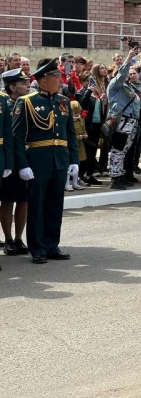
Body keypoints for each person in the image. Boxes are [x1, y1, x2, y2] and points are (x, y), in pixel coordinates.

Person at [12, 58, 79, 263]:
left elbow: (70, 134)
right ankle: (37, 247)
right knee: (37, 205)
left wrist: (74, 159)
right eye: (56, 77)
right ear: (43, 81)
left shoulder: (63, 101)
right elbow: (16, 136)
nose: (60, 80)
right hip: (37, 162)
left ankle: (52, 244)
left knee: (54, 204)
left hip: (59, 160)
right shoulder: (27, 102)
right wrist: (22, 164)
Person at [1, 69, 30, 258]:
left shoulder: (29, 103)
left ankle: (19, 238)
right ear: (12, 87)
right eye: (23, 83)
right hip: (8, 157)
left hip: (25, 157)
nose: (28, 86)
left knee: (23, 199)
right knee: (8, 199)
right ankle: (8, 238)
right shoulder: (5, 103)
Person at [106, 49, 141, 190]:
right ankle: (115, 178)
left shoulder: (128, 87)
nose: (128, 75)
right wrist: (129, 57)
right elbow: (122, 73)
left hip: (131, 121)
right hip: (122, 121)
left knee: (124, 149)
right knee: (118, 149)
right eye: (126, 73)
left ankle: (120, 175)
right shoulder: (115, 85)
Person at [65, 101, 88, 191]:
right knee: (68, 165)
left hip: (79, 145)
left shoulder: (81, 119)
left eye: (78, 112)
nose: (77, 114)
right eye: (75, 112)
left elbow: (84, 129)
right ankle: (66, 184)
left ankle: (75, 183)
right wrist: (77, 137)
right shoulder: (68, 120)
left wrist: (84, 134)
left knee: (76, 164)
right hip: (69, 144)